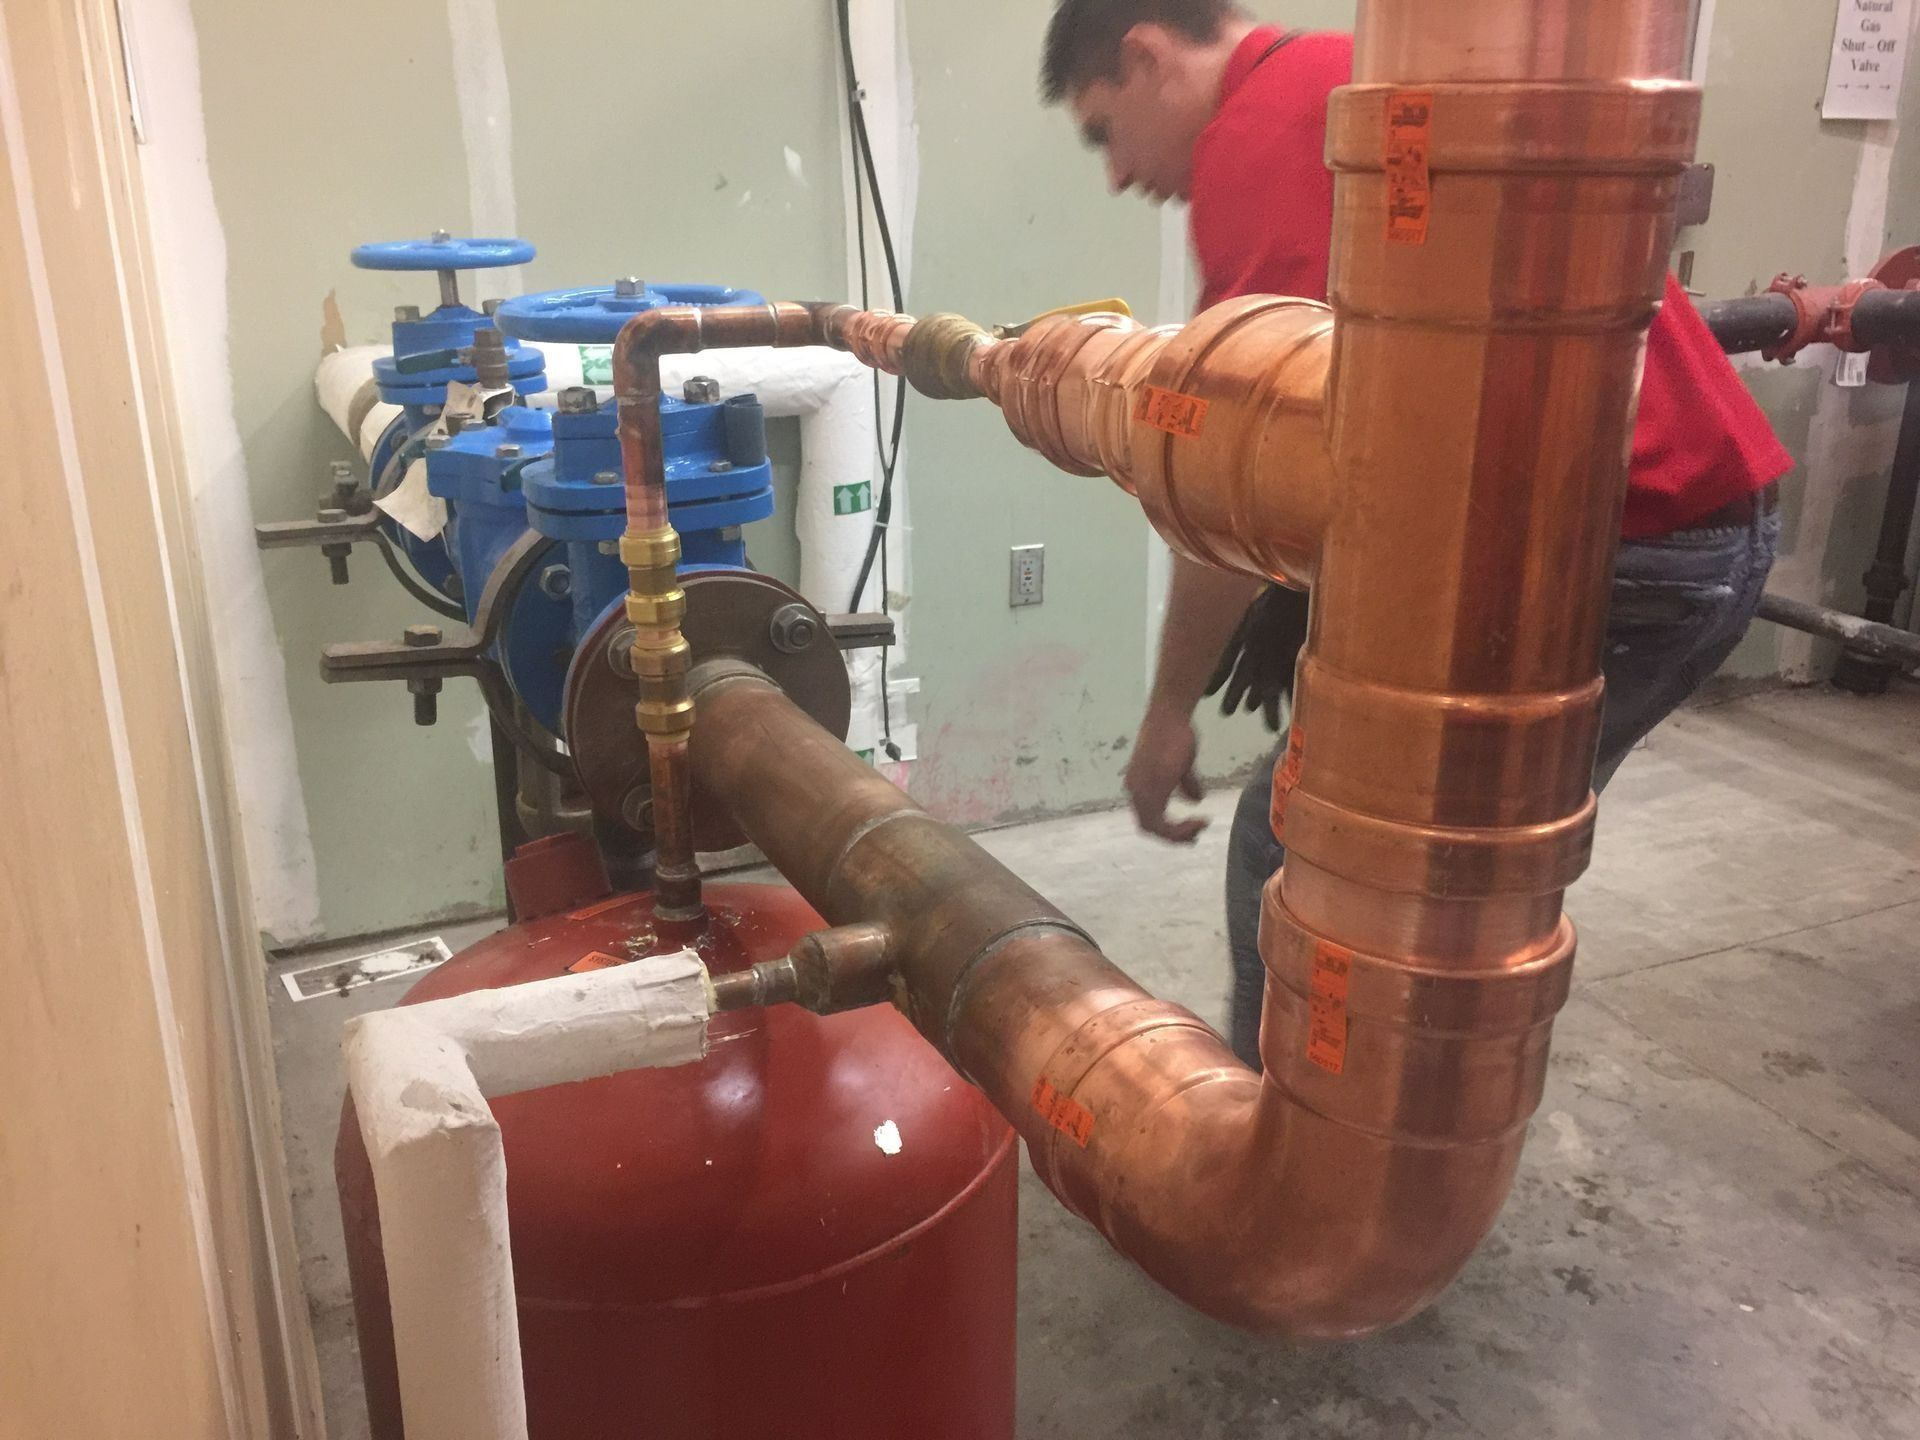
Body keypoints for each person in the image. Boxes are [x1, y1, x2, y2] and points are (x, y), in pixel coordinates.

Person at [1042, 0, 1791, 1067]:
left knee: (1327, 857)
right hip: (1655, 520)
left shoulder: (1260, 142)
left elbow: (1221, 461)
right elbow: (1386, 420)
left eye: (1101, 131)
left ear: (1148, 57)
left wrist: (1169, 710)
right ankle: (1358, 1131)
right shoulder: (1351, 76)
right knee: (1387, 868)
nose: (1116, 175)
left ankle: (1291, 1169)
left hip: (1629, 548)